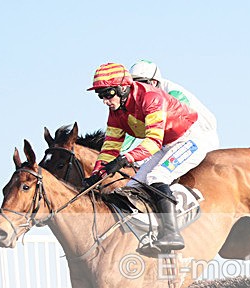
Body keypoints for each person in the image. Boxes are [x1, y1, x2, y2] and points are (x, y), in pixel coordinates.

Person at [84, 62, 219, 253]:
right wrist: (97, 174)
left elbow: (153, 141)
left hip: (191, 138)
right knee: (132, 187)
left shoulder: (150, 97)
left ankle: (172, 234)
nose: (105, 100)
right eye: (101, 96)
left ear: (122, 88)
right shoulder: (116, 111)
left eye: (107, 93)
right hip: (167, 143)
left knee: (156, 177)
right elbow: (111, 146)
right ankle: (153, 235)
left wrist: (125, 159)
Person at [121, 59, 219, 154]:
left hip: (200, 136)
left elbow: (178, 121)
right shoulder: (142, 97)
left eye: (140, 83)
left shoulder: (173, 93)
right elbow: (134, 126)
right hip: (174, 138)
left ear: (154, 82)